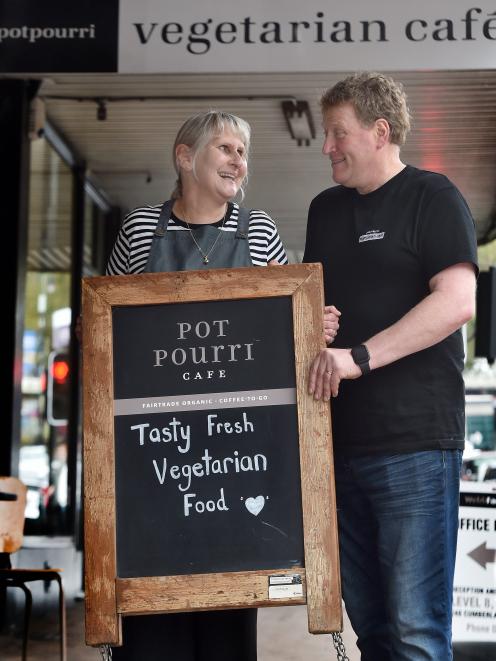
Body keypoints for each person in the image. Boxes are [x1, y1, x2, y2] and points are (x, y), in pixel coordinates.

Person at [304, 73, 478, 660]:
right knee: (373, 631)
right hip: (337, 451)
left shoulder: (434, 197)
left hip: (415, 448)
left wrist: (358, 356)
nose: (327, 146)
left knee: (415, 633)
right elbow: (310, 310)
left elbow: (456, 302)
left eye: (337, 133)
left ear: (380, 132)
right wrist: (314, 325)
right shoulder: (323, 210)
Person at [105, 110, 288, 660]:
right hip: (153, 459)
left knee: (226, 634)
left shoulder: (259, 231)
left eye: (243, 152)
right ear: (186, 156)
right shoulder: (140, 228)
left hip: (235, 456)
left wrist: (312, 323)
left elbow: (282, 332)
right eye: (226, 148)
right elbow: (103, 332)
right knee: (151, 635)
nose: (240, 161)